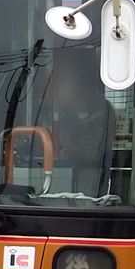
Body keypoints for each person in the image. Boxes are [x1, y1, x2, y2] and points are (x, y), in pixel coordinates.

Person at [43, 48, 112, 195]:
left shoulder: (105, 111)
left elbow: (94, 153)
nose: (62, 87)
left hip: (91, 177)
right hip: (63, 180)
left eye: (66, 80)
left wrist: (69, 152)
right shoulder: (66, 112)